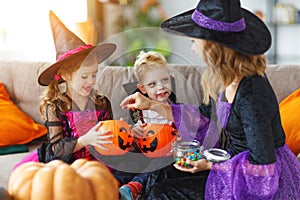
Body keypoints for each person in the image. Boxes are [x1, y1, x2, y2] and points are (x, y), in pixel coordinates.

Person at [120, 0, 300, 199]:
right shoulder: (227, 79)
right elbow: (202, 116)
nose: (193, 49)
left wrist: (208, 165)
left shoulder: (252, 93)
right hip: (231, 165)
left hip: (254, 179)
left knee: (162, 194)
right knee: (160, 175)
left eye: (195, 41)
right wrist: (151, 105)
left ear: (213, 47)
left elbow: (263, 165)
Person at [14, 11, 116, 168]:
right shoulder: (55, 107)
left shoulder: (101, 103)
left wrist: (120, 131)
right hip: (66, 165)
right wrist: (85, 140)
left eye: (94, 75)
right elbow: (56, 149)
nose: (91, 81)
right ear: (65, 75)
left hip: (98, 163)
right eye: (84, 77)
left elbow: (110, 138)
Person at [118, 50, 178, 200]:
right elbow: (129, 137)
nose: (161, 87)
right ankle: (113, 183)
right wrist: (133, 132)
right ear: (143, 89)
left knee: (159, 165)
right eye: (152, 84)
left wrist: (180, 137)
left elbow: (183, 128)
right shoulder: (138, 111)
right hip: (141, 153)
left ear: (170, 79)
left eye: (164, 80)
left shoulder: (175, 109)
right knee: (126, 162)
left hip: (164, 156)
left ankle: (136, 186)